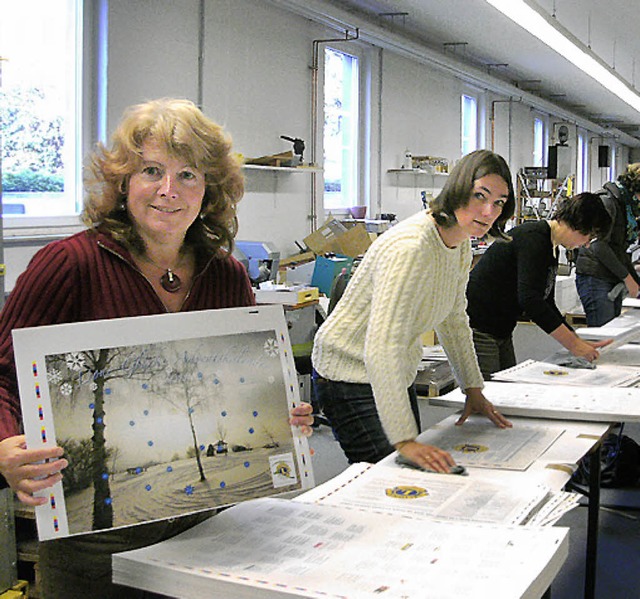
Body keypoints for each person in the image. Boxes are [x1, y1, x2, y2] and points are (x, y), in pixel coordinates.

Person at [0, 98, 313, 598]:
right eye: (151, 171)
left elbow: (245, 382)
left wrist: (281, 411)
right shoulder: (69, 264)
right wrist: (5, 445)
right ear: (123, 183)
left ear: (209, 189)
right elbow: (3, 378)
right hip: (94, 546)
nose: (169, 191)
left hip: (209, 526)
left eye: (188, 174)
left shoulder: (225, 274)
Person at [312, 149, 514, 473]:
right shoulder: (412, 247)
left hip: (392, 371)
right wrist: (404, 441)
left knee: (416, 473)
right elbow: (382, 345)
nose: (489, 211)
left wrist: (473, 389)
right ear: (459, 188)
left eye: (500, 202)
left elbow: (454, 318)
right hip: (348, 372)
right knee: (391, 479)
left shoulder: (459, 242)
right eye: (480, 195)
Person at [467, 192, 613, 379]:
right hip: (479, 327)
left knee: (504, 388)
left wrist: (576, 339)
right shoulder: (534, 239)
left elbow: (547, 302)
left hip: (500, 329)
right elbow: (531, 300)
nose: (585, 245)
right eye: (588, 237)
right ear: (579, 225)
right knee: (487, 394)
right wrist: (573, 345)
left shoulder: (550, 246)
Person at [575, 163, 640, 326]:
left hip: (610, 275)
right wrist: (628, 278)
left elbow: (620, 249)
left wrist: (633, 278)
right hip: (595, 275)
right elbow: (599, 245)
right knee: (602, 333)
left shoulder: (627, 207)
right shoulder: (608, 202)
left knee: (612, 332)